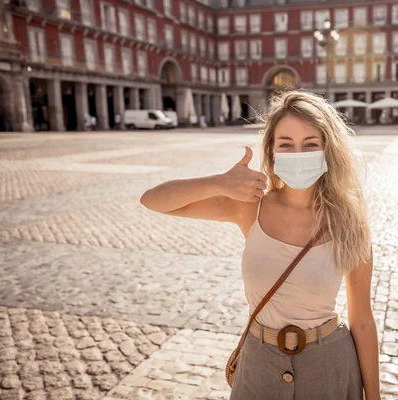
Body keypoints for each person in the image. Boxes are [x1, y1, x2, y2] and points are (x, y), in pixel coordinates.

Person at [140, 91, 380, 400]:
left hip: (330, 365)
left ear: (327, 150)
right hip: (259, 365)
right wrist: (218, 183)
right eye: (286, 144)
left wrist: (373, 397)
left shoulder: (349, 222)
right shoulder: (250, 207)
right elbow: (153, 200)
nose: (297, 153)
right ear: (272, 151)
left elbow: (361, 320)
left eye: (310, 144)